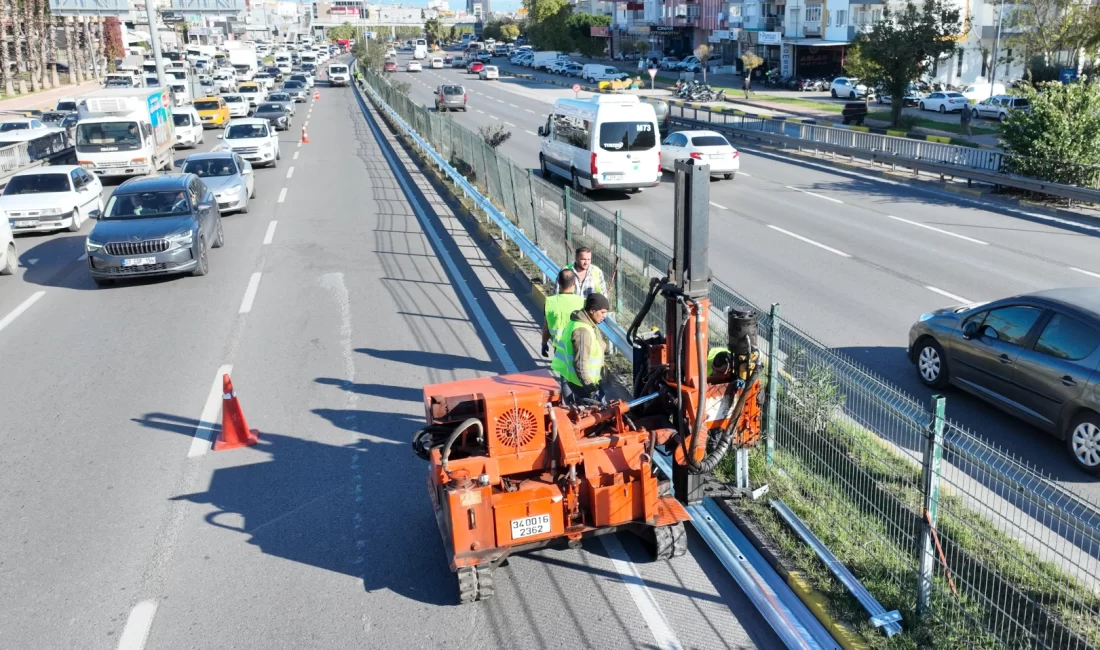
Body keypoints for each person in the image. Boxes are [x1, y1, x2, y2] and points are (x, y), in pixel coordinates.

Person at [551, 293, 610, 404]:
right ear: (592, 310)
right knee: (601, 413)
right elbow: (580, 365)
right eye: (602, 312)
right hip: (583, 384)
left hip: (578, 381)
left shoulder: (583, 323)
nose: (604, 316)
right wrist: (592, 390)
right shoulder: (582, 331)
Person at [541, 269, 585, 358]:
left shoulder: (550, 302)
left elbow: (546, 327)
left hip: (559, 347)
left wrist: (544, 343)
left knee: (563, 371)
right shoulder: (583, 302)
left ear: (559, 283)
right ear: (574, 283)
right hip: (579, 345)